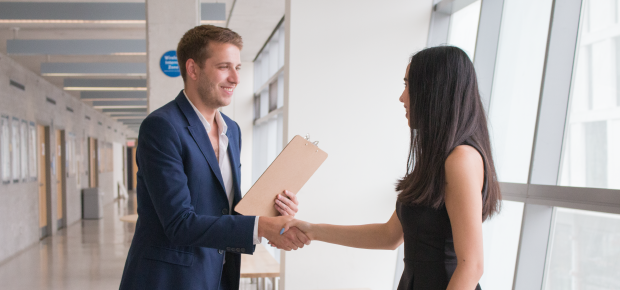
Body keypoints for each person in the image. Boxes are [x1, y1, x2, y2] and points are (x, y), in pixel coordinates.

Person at [280, 46, 501, 290]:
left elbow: (472, 266)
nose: (402, 97)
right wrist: (312, 230)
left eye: (409, 85)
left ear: (434, 91)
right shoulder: (438, 159)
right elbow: (389, 236)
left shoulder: (461, 159)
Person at [119, 25, 309, 290]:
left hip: (218, 274)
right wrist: (260, 227)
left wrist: (271, 210)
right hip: (169, 280)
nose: (235, 78)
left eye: (238, 68)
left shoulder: (232, 130)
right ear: (193, 69)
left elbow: (223, 206)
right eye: (224, 67)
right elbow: (179, 223)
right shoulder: (161, 127)